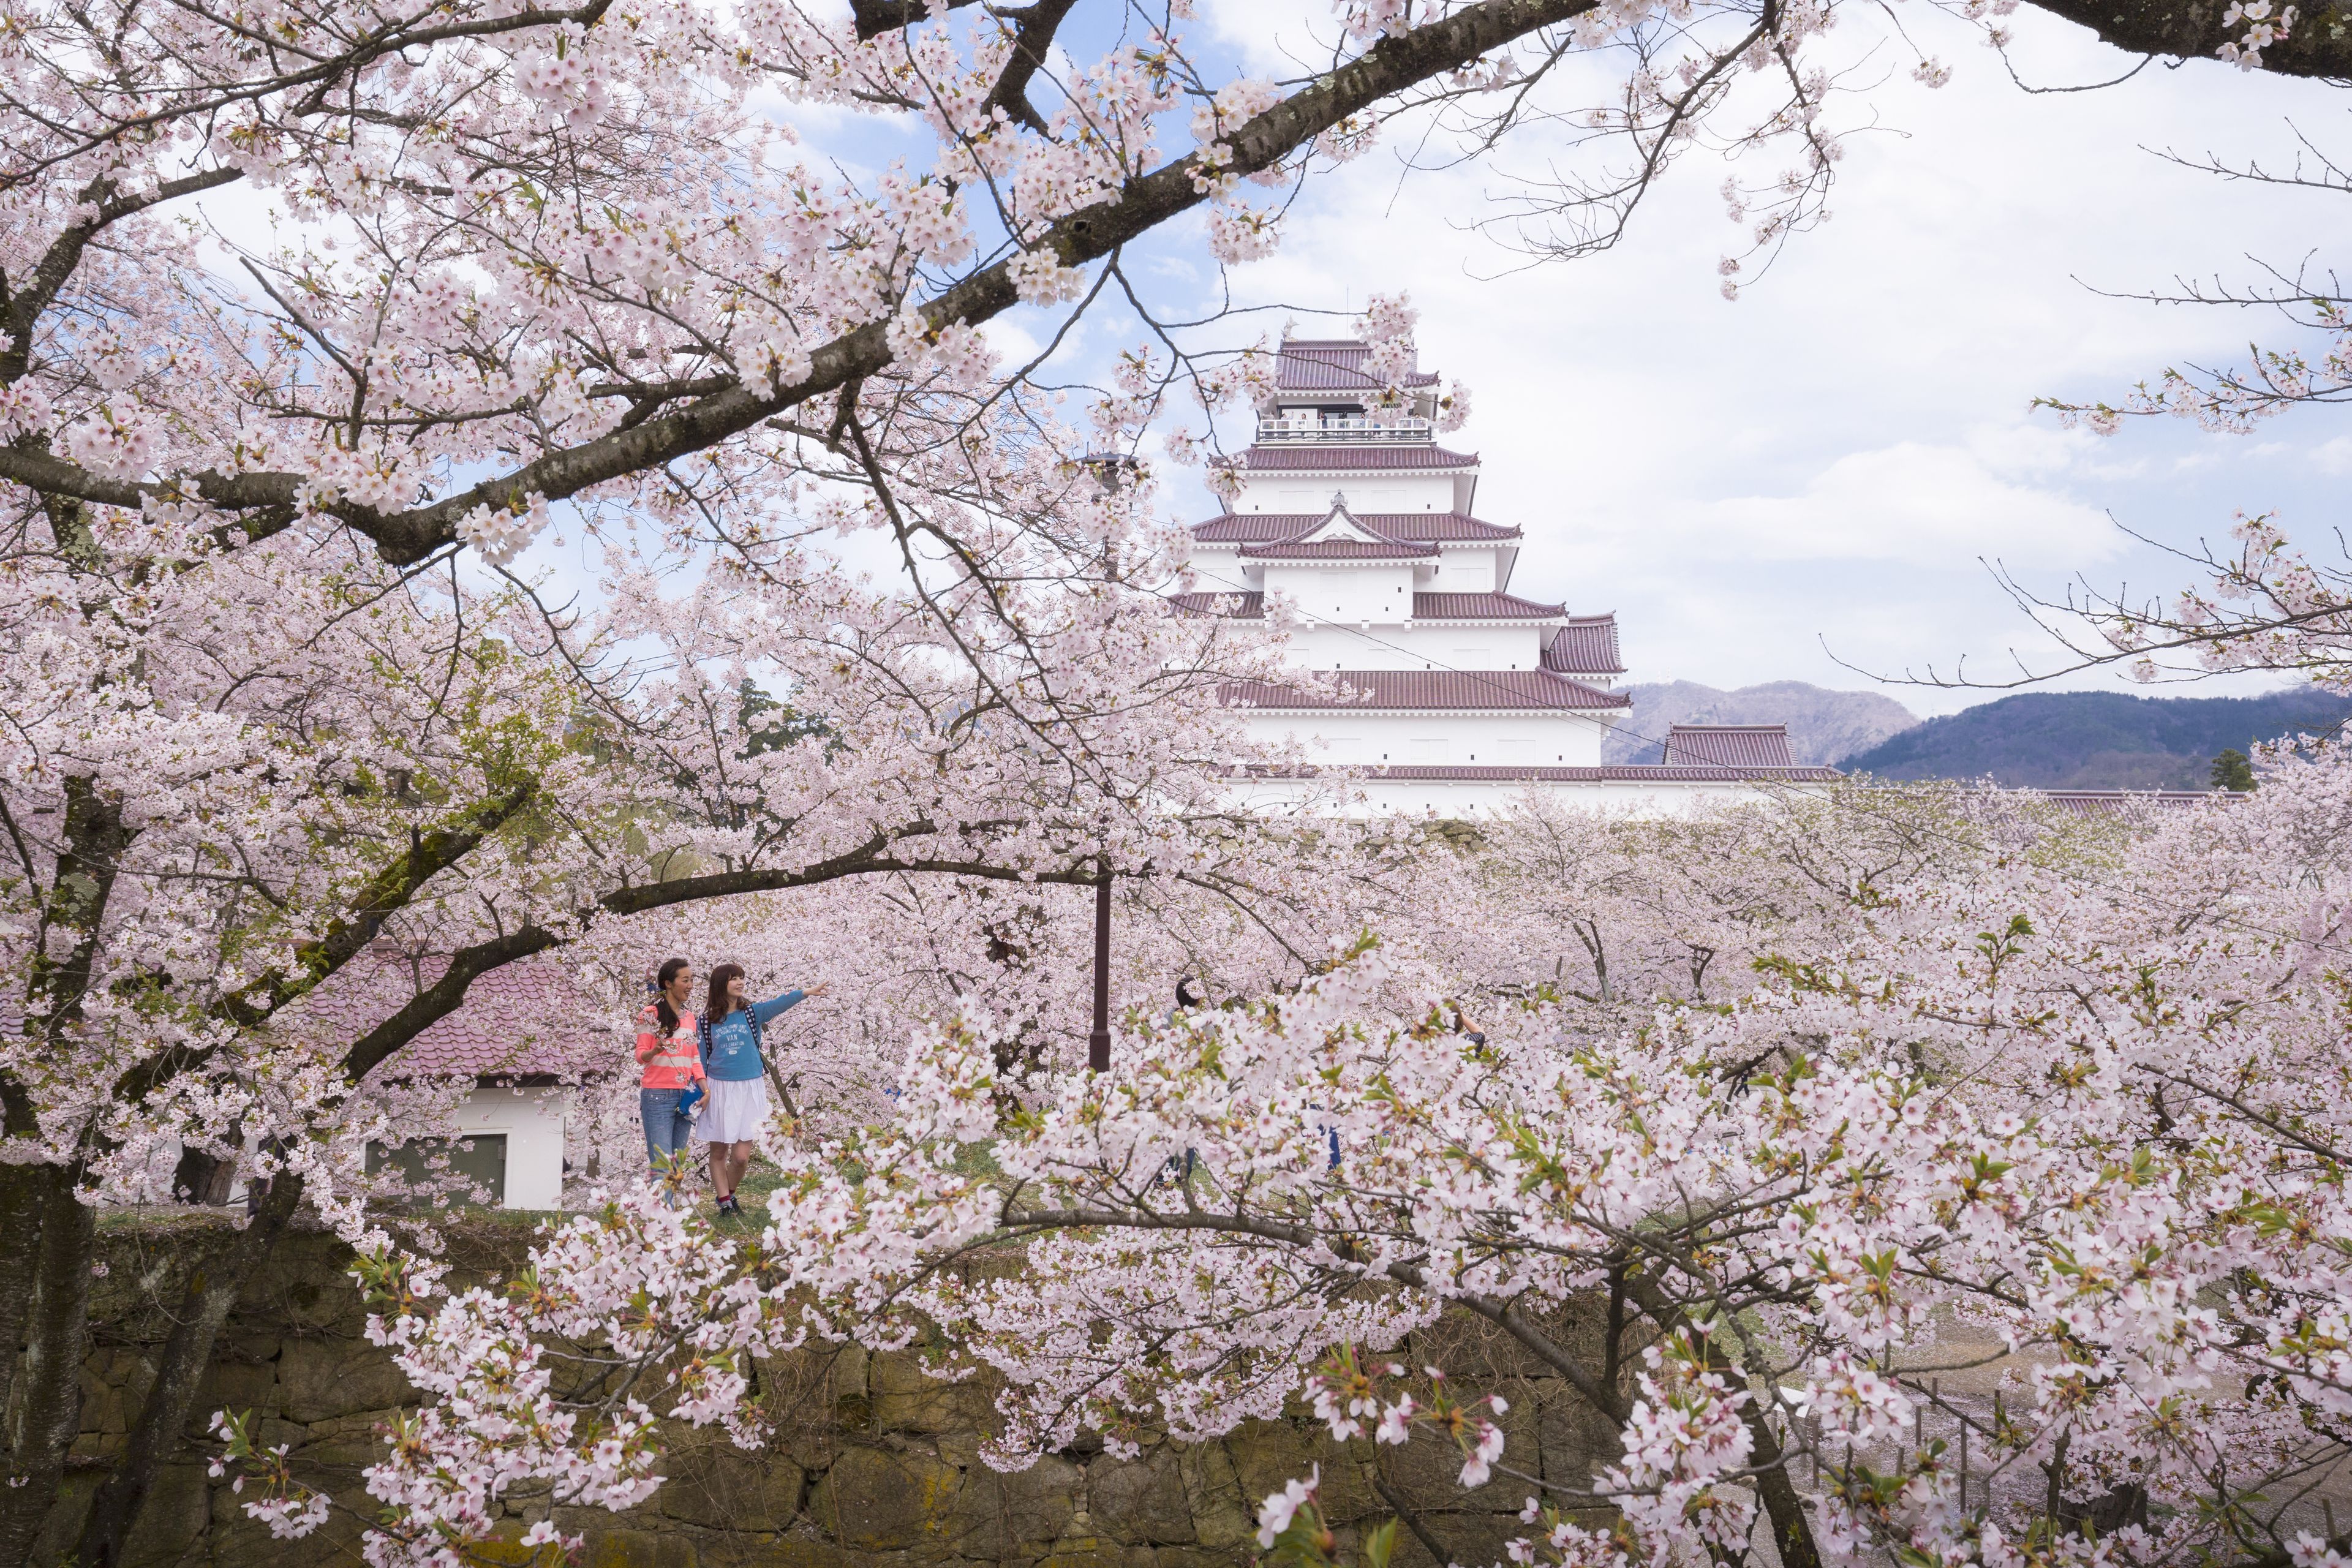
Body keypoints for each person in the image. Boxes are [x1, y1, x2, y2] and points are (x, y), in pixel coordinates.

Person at [698, 963, 826, 1216]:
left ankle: (729, 1194)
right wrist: (702, 1090)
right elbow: (701, 1059)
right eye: (734, 979)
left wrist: (806, 992)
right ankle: (725, 1203)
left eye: (742, 978)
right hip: (720, 1088)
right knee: (720, 1151)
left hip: (750, 1087)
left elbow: (779, 1003)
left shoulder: (752, 1013)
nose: (740, 983)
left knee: (742, 1156)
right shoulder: (705, 1022)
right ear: (721, 984)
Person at [636, 957, 704, 1185]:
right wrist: (655, 1050)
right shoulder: (650, 1014)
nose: (690, 986)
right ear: (668, 983)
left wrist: (705, 1089)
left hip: (685, 1096)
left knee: (676, 1168)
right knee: (662, 1166)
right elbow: (640, 1056)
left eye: (692, 980)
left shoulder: (690, 1017)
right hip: (658, 1096)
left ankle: (672, 1217)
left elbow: (694, 1056)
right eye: (685, 980)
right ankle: (661, 1216)